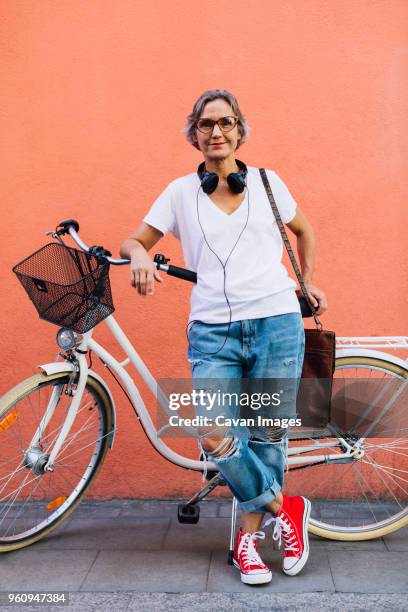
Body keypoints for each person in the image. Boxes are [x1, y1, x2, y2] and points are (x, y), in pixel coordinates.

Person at [120, 89, 328, 585]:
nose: (216, 132)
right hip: (212, 329)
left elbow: (305, 231)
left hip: (276, 321)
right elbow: (134, 239)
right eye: (206, 124)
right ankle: (287, 509)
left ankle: (248, 542)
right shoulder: (178, 193)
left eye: (226, 122)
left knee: (267, 434)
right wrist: (141, 256)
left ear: (240, 130)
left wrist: (309, 282)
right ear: (194, 134)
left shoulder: (267, 182)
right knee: (214, 432)